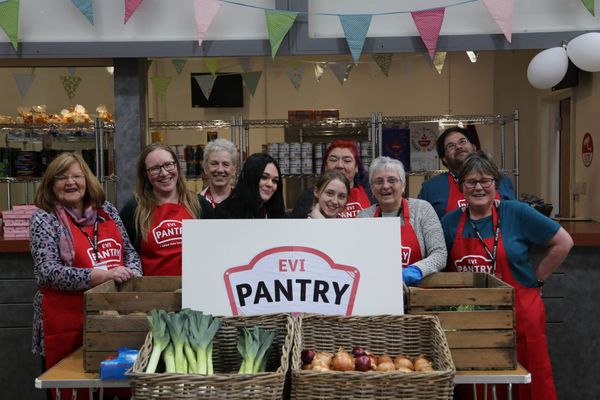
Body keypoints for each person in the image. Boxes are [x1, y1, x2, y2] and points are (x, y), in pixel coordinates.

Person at [441, 151, 573, 400]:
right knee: (478, 384)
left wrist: (538, 278)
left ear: (496, 184)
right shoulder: (450, 223)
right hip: (472, 320)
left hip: (521, 313)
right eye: (471, 181)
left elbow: (564, 242)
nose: (478, 187)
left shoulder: (518, 213)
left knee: (530, 377)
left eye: (485, 181)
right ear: (461, 187)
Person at [29, 152, 141, 399]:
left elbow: (129, 251)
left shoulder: (107, 210)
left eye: (76, 176)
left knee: (114, 388)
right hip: (65, 321)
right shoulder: (44, 218)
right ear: (50, 184)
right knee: (71, 388)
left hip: (113, 318)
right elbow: (47, 272)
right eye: (61, 177)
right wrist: (99, 276)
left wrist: (134, 272)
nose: (70, 182)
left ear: (87, 180)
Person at [120, 142, 213, 276]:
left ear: (177, 166)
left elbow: (213, 251)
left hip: (195, 290)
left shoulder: (200, 205)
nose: (164, 173)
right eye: (155, 168)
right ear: (145, 174)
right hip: (151, 293)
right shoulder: (134, 209)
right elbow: (124, 253)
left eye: (168, 165)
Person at [358, 156, 447, 286]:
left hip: (418, 296)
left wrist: (415, 270)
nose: (385, 186)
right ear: (372, 188)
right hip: (377, 291)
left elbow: (440, 254)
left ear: (403, 185)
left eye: (392, 180)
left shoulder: (422, 210)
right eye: (378, 181)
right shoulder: (363, 217)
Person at [418, 126, 515, 219]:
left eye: (462, 141)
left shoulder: (502, 180)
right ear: (444, 158)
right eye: (451, 145)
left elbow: (513, 218)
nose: (459, 147)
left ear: (474, 147)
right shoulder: (431, 188)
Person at [291, 140, 375, 218]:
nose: (340, 165)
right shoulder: (307, 197)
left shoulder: (371, 194)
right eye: (333, 160)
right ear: (326, 166)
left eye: (347, 160)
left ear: (356, 167)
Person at [215, 153, 286, 219]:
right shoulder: (223, 214)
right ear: (249, 177)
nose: (270, 184)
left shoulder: (278, 215)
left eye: (275, 181)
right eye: (264, 177)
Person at [200, 138, 238, 208]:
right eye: (214, 163)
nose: (220, 170)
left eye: (225, 164)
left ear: (234, 170)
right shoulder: (195, 204)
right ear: (205, 168)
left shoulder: (244, 203)